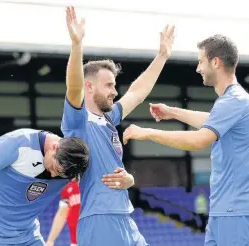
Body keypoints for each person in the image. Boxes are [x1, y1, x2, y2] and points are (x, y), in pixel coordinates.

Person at [123, 34, 249, 246]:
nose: (198, 68)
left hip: (238, 210)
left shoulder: (234, 101)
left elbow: (199, 140)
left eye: (201, 61)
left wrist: (147, 133)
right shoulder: (231, 103)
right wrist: (171, 111)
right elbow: (211, 121)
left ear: (215, 62)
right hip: (224, 210)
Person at [61, 6, 175, 246]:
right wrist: (76, 45)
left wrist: (162, 56)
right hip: (99, 218)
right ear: (89, 87)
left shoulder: (109, 119)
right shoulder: (77, 122)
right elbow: (73, 87)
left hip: (123, 215)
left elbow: (137, 92)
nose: (115, 91)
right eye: (109, 85)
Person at [0, 128, 90, 246]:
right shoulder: (19, 143)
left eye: (60, 175)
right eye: (55, 168)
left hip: (28, 237)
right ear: (54, 147)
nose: (53, 175)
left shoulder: (73, 166)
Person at [46, 178, 80, 246]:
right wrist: (50, 241)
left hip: (95, 239)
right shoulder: (69, 185)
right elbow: (62, 214)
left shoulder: (94, 182)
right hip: (75, 242)